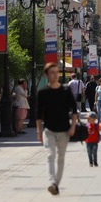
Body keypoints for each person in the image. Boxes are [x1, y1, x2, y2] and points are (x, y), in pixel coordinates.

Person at [36, 62, 78, 195]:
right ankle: (52, 180)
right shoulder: (43, 92)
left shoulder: (65, 90)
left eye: (57, 72)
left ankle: (56, 184)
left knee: (61, 157)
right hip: (48, 130)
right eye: (52, 73)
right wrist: (38, 131)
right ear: (47, 75)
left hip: (64, 130)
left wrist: (73, 126)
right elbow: (38, 114)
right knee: (50, 155)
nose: (55, 75)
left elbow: (75, 110)